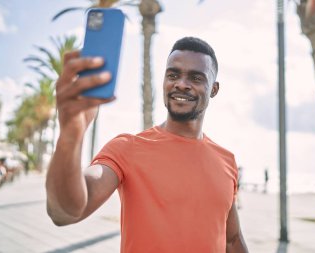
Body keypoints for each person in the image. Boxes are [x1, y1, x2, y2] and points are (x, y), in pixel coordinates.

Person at [46, 37, 249, 253]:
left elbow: (232, 239)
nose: (181, 83)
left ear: (214, 89)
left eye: (196, 78)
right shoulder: (126, 148)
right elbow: (65, 213)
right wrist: (70, 136)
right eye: (173, 75)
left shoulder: (226, 161)